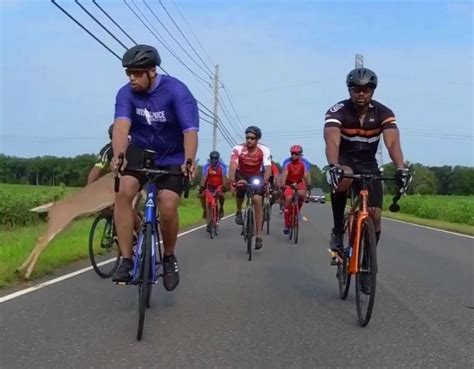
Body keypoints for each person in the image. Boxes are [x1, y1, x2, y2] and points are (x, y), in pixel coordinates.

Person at [111, 44, 199, 291]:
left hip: (173, 155)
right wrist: (119, 155)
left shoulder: (177, 91)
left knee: (168, 205)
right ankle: (127, 259)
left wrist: (189, 160)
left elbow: (190, 131)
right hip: (141, 151)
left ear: (152, 71)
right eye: (128, 72)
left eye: (137, 73)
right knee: (123, 192)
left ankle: (169, 257)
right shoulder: (125, 94)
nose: (131, 78)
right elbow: (120, 127)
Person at [324, 67, 411, 251]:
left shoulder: (383, 112)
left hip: (368, 163)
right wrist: (334, 166)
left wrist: (401, 168)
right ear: (349, 90)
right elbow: (331, 140)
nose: (361, 94)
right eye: (356, 89)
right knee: (343, 177)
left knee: (375, 215)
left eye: (366, 90)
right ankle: (338, 230)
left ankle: (368, 259)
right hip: (345, 159)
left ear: (372, 91)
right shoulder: (338, 110)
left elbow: (393, 143)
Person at [228, 126, 271, 250]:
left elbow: (267, 167)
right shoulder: (238, 149)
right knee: (240, 188)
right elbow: (233, 165)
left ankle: (258, 236)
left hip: (257, 176)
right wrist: (232, 179)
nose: (249, 140)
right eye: (247, 138)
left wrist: (265, 181)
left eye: (252, 138)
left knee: (257, 200)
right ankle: (238, 211)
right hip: (241, 174)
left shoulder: (264, 149)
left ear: (257, 139)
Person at [280, 145, 311, 234]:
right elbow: (284, 173)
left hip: (299, 181)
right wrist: (283, 184)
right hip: (289, 182)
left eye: (296, 154)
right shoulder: (287, 162)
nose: (294, 155)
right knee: (288, 198)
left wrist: (308, 185)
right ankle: (286, 224)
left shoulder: (304, 163)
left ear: (300, 154)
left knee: (302, 195)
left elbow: (306, 175)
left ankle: (297, 211)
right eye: (292, 153)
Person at [199, 150, 227, 220]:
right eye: (212, 158)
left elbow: (224, 177)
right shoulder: (206, 166)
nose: (214, 160)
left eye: (216, 158)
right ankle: (205, 210)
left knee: (221, 195)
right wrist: (202, 186)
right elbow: (204, 177)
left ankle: (221, 208)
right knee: (202, 196)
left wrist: (224, 186)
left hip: (219, 185)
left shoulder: (223, 166)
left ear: (218, 159)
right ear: (210, 158)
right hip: (210, 185)